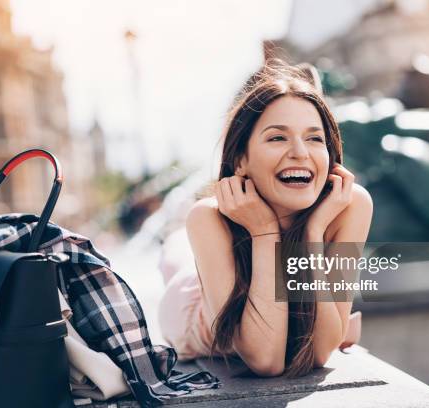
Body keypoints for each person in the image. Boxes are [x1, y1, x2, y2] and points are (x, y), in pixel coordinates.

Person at [159, 60, 373, 378]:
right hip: (192, 307)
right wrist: (263, 232)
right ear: (240, 160)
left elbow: (321, 351)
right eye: (277, 138)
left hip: (237, 274)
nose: (300, 152)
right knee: (176, 252)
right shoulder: (208, 218)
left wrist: (312, 234)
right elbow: (266, 360)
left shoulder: (350, 205)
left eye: (315, 138)